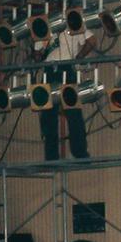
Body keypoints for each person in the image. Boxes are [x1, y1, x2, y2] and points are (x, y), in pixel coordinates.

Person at [34, 8, 95, 160]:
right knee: (48, 114)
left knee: (73, 111)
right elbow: (37, 53)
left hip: (66, 68)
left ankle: (79, 153)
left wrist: (79, 57)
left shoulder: (73, 22)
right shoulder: (45, 26)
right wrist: (39, 52)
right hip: (49, 70)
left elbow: (92, 41)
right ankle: (52, 156)